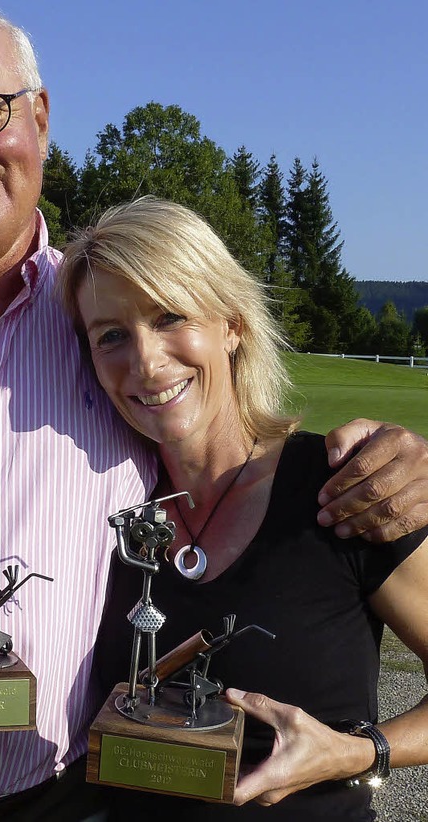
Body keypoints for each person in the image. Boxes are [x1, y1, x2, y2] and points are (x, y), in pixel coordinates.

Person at [0, 2, 426, 820]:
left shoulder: (90, 313)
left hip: (65, 803)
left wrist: (400, 456)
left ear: (40, 117)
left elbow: (225, 443)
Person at [57, 196, 428, 821]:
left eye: (172, 316)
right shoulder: (105, 503)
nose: (145, 363)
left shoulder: (347, 487)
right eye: (111, 336)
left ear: (232, 324)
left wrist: (361, 751)